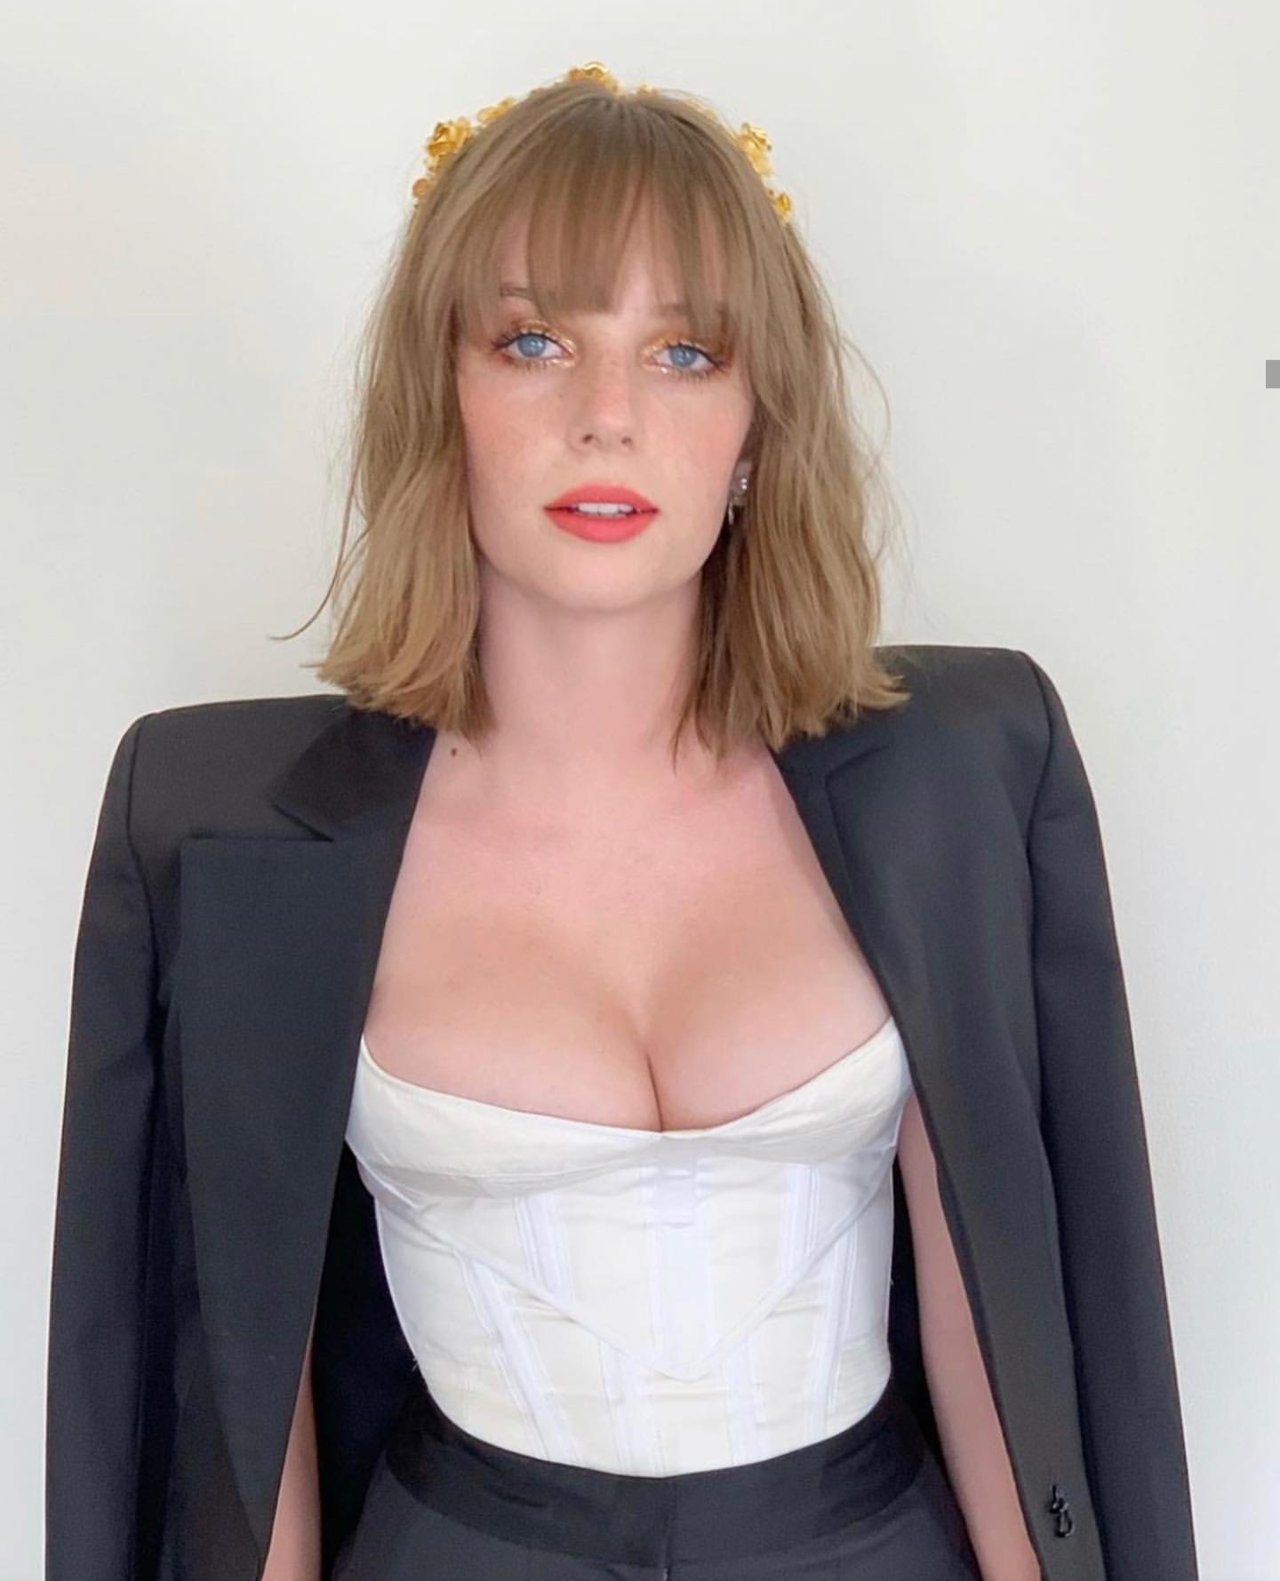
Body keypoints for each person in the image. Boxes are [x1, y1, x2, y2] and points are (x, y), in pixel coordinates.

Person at [46, 62, 1198, 1581]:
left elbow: (1006, 1312)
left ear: (756, 423)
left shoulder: (964, 777)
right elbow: (231, 1381)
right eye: (533, 342)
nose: (608, 417)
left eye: (684, 351)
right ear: (440, 396)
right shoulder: (224, 830)